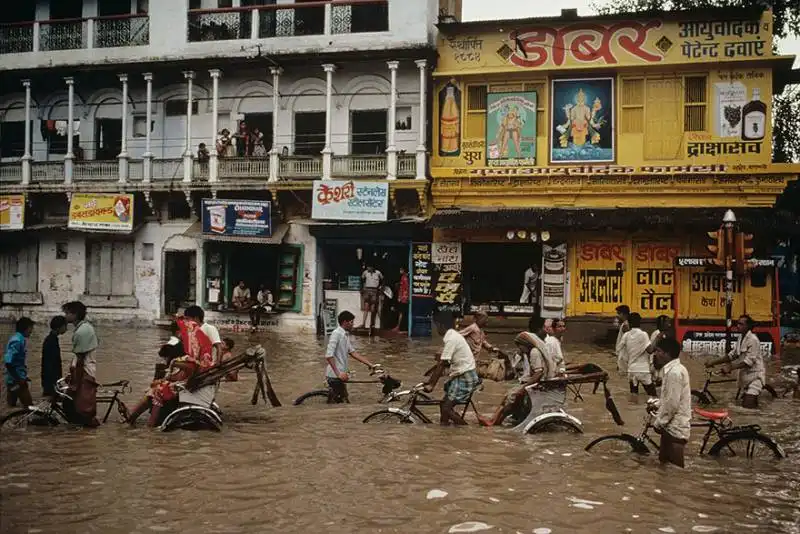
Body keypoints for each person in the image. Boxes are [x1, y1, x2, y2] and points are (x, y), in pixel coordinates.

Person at [126, 316, 214, 427]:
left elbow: (190, 369)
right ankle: (132, 417)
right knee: (154, 388)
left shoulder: (192, 354)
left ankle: (150, 424)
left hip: (186, 386)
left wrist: (173, 364)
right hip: (185, 382)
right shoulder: (192, 350)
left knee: (156, 391)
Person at [478, 325, 549, 427]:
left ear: (525, 344)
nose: (519, 348)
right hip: (533, 384)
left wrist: (524, 388)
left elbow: (538, 373)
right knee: (508, 397)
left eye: (519, 346)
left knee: (512, 397)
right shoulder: (530, 353)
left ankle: (494, 421)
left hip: (536, 385)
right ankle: (494, 420)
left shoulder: (534, 352)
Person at [423, 312, 480, 426]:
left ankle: (465, 429)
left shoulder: (452, 339)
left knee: (446, 408)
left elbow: (443, 363)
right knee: (443, 404)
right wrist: (429, 381)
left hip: (464, 376)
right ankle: (444, 428)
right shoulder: (452, 335)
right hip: (460, 375)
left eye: (435, 325)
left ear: (440, 325)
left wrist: (432, 385)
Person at [705, 314, 765, 409]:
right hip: (744, 377)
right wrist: (713, 362)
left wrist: (730, 367)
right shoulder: (740, 338)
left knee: (747, 407)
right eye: (738, 323)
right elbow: (732, 355)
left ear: (747, 326)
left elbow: (748, 361)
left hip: (755, 377)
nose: (738, 326)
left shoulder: (753, 340)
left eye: (741, 324)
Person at [649, 336, 691, 468]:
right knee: (665, 469)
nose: (656, 354)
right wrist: (656, 405)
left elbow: (672, 405)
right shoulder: (672, 370)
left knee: (675, 471)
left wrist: (659, 422)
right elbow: (668, 399)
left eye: (659, 351)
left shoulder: (674, 373)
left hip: (675, 429)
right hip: (670, 427)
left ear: (667, 354)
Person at [324, 310, 376, 403]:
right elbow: (328, 355)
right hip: (335, 376)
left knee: (342, 403)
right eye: (351, 322)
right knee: (341, 404)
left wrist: (370, 364)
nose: (353, 324)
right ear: (345, 322)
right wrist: (338, 373)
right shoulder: (336, 334)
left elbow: (353, 353)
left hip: (341, 375)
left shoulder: (344, 335)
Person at [62, 301, 100, 427]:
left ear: (75, 314)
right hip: (85, 371)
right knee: (78, 405)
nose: (66, 316)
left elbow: (79, 360)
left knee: (79, 406)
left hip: (84, 372)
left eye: (68, 313)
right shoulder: (86, 327)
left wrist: (75, 382)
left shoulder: (81, 332)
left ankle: (83, 430)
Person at [618, 312, 657, 396]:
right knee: (653, 396)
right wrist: (657, 339)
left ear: (629, 322)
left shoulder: (626, 336)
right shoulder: (643, 335)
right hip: (643, 370)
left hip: (631, 370)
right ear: (640, 322)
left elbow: (620, 349)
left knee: (634, 396)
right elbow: (650, 350)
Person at [4, 317, 34, 408]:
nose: (31, 331)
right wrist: (19, 378)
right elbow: (8, 362)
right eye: (31, 328)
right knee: (29, 406)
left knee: (10, 406)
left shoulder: (19, 339)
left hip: (14, 380)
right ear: (26, 328)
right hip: (17, 381)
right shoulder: (17, 341)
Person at [41, 315, 68, 397]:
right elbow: (50, 363)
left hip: (51, 379)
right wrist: (54, 382)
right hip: (51, 380)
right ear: (59, 327)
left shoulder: (52, 339)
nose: (66, 329)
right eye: (65, 326)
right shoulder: (51, 341)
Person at [646, 315, 672, 384]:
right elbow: (654, 350)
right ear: (662, 323)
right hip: (656, 365)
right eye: (667, 321)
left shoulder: (662, 334)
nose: (669, 323)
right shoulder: (657, 334)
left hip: (659, 364)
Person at [359, 265, 383, 329]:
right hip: (367, 290)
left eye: (369, 267)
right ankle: (363, 323)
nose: (368, 268)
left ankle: (372, 324)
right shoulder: (365, 272)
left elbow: (383, 280)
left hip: (375, 290)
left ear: (372, 267)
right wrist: (362, 288)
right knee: (366, 307)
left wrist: (380, 288)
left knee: (373, 308)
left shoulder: (378, 273)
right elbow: (362, 280)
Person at [393, 266, 410, 333]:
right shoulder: (404, 277)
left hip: (404, 298)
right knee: (401, 312)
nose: (400, 271)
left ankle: (399, 327)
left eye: (401, 270)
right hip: (403, 297)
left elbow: (406, 288)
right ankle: (399, 327)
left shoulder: (405, 277)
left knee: (402, 312)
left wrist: (403, 297)